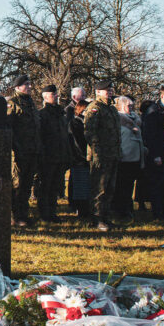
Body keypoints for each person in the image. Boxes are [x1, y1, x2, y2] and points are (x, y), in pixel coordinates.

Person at [84, 80, 120, 232]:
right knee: (99, 187)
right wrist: (96, 153)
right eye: (106, 90)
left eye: (111, 89)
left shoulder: (111, 108)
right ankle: (97, 217)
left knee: (110, 187)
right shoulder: (95, 108)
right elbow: (90, 133)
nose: (109, 92)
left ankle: (105, 216)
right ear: (98, 92)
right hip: (101, 154)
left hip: (113, 153)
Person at [6, 74, 39, 226]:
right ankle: (15, 216)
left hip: (32, 150)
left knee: (27, 184)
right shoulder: (13, 103)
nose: (29, 87)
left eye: (29, 84)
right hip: (18, 151)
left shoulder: (31, 103)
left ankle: (23, 214)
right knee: (17, 184)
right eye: (26, 84)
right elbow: (9, 127)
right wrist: (15, 147)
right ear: (18, 87)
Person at [37, 84, 70, 222]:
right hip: (48, 156)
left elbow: (64, 135)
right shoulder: (42, 115)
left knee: (55, 186)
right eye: (53, 94)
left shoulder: (60, 114)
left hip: (60, 155)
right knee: (46, 186)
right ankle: (45, 213)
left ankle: (52, 212)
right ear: (45, 97)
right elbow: (41, 137)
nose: (56, 96)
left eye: (56, 94)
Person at [141, 85, 164, 221]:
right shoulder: (154, 111)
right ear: (162, 96)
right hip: (158, 153)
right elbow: (150, 135)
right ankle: (158, 213)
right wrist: (155, 155)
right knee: (158, 184)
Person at [113, 96, 144, 221]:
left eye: (132, 105)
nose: (130, 108)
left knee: (130, 185)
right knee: (122, 186)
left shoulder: (136, 118)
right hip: (123, 157)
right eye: (128, 106)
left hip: (135, 157)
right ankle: (121, 211)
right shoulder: (118, 119)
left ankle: (128, 209)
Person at [66, 99, 90, 217]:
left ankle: (86, 207)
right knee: (79, 184)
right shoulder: (75, 123)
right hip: (79, 158)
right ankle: (79, 208)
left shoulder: (88, 122)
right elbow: (76, 142)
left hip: (88, 157)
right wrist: (82, 157)